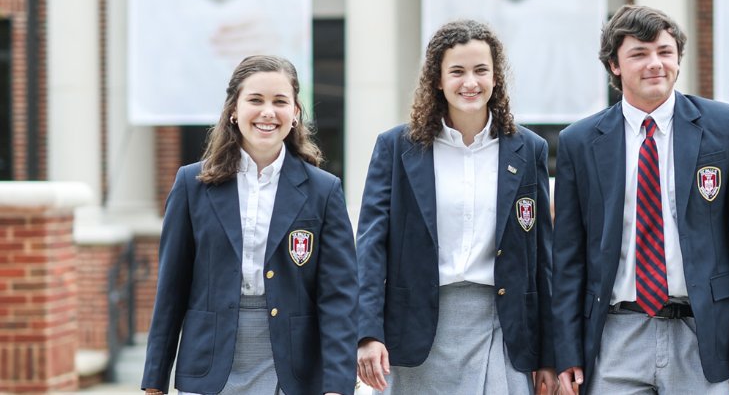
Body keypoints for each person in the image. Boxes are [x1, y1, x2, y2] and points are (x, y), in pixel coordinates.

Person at [551, 5, 729, 395]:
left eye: (665, 52)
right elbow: (569, 255)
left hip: (699, 331)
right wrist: (567, 349)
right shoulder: (580, 142)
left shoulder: (724, 127)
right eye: (639, 54)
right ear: (614, 66)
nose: (655, 64)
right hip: (615, 334)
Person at [354, 20, 554, 394]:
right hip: (417, 329)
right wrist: (367, 333)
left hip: (502, 327)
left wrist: (549, 355)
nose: (470, 83)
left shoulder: (528, 150)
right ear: (437, 80)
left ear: (496, 78)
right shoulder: (396, 148)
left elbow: (542, 258)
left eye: (481, 70)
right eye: (457, 72)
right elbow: (370, 248)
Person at [142, 55, 357, 395]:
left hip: (292, 363)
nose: (268, 112)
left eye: (280, 102)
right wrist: (155, 380)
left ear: (296, 113)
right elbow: (171, 288)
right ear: (233, 110)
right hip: (209, 359)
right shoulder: (192, 185)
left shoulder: (324, 190)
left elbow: (338, 297)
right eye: (255, 100)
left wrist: (337, 384)